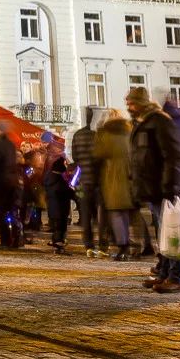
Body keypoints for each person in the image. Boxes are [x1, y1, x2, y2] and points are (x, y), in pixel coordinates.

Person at [125, 87, 180, 294]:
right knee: (164, 234)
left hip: (165, 188)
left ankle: (178, 277)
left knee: (174, 233)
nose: (128, 107)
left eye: (131, 103)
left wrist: (171, 186)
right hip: (153, 189)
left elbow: (174, 156)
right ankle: (166, 273)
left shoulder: (159, 121)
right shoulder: (143, 123)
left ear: (140, 103)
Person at [92, 113, 136, 261]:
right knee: (125, 214)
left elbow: (98, 153)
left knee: (116, 214)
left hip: (114, 179)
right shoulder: (129, 135)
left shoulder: (109, 138)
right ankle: (128, 244)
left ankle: (122, 246)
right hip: (130, 179)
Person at [71, 110, 103, 257]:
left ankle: (89, 245)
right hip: (98, 181)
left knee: (85, 215)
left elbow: (75, 157)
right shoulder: (98, 135)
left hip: (83, 180)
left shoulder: (78, 135)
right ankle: (103, 245)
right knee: (100, 215)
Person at [0, 119, 23, 249]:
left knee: (1, 211)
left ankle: (5, 241)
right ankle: (16, 239)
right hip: (12, 180)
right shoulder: (10, 144)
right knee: (12, 211)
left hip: (0, 182)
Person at [44, 155, 75, 253]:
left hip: (52, 209)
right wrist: (76, 193)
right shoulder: (60, 182)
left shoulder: (49, 178)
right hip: (61, 209)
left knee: (56, 227)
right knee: (60, 228)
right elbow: (70, 193)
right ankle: (58, 245)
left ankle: (56, 242)